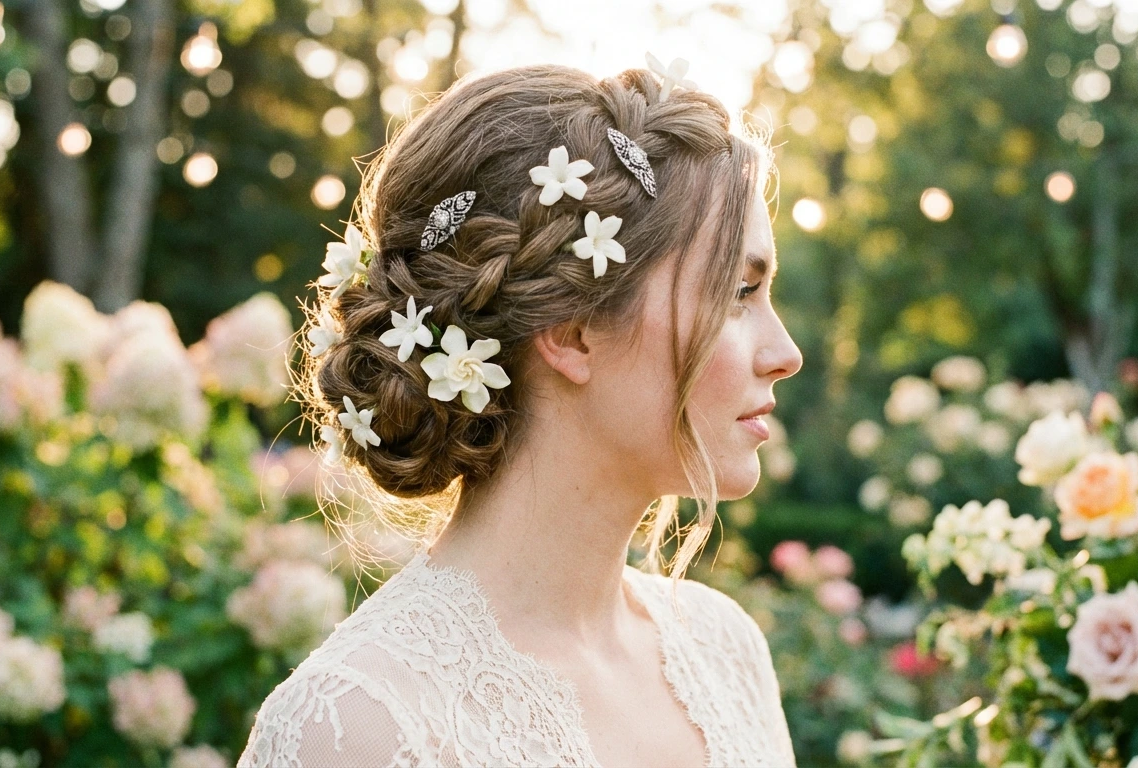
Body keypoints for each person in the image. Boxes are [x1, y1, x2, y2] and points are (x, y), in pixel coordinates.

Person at [238, 58, 803, 767]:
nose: (786, 352)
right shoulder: (359, 727)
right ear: (572, 331)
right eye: (738, 293)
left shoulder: (724, 652)